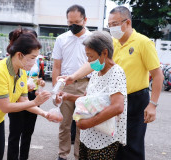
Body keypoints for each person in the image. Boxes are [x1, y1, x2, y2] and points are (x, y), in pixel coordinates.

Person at [62, 6, 164, 160]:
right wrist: (73, 76)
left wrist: (153, 105)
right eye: (109, 25)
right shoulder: (112, 43)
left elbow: (157, 75)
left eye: (115, 24)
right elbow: (92, 63)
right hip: (111, 97)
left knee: (132, 145)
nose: (112, 28)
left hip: (135, 98)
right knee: (113, 141)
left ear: (127, 22)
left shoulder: (143, 43)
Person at [0, 28, 59, 160]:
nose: (34, 62)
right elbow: (5, 107)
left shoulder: (21, 72)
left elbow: (23, 101)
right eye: (32, 58)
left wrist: (45, 114)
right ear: (19, 55)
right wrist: (35, 102)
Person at [56, 31, 127, 160]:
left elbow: (117, 107)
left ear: (104, 53)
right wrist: (67, 96)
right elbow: (89, 101)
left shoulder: (116, 73)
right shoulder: (96, 73)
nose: (88, 61)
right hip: (87, 138)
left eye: (91, 56)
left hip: (103, 142)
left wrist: (88, 123)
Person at [52, 4, 92, 160]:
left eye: (77, 22)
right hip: (65, 84)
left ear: (85, 20)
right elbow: (56, 66)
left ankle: (79, 155)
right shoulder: (61, 39)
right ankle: (62, 155)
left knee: (82, 124)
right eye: (70, 22)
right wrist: (56, 89)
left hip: (85, 84)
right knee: (64, 124)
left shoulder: (92, 39)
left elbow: (96, 65)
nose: (73, 25)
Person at [7, 28, 45, 160]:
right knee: (15, 134)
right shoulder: (12, 62)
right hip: (16, 97)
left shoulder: (37, 60)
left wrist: (39, 84)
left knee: (28, 133)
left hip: (32, 95)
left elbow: (40, 77)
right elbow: (5, 104)